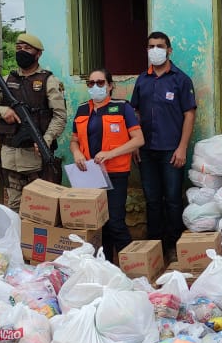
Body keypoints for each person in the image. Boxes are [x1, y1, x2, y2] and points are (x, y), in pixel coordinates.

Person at [130, 31, 196, 255]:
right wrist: (135, 144)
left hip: (171, 150)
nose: (155, 50)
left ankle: (175, 246)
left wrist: (182, 147)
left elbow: (189, 114)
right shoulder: (142, 80)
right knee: (152, 200)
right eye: (151, 46)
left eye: (159, 46)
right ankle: (153, 248)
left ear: (169, 50)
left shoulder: (181, 80)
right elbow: (135, 113)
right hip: (146, 151)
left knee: (174, 200)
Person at [0, 32, 67, 211]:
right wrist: (4, 111)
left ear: (38, 54)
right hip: (9, 155)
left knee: (40, 207)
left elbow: (60, 116)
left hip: (35, 156)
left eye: (27, 48)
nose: (22, 51)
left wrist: (46, 139)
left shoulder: (49, 81)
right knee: (14, 205)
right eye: (18, 48)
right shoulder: (7, 80)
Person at [69, 68, 145, 261]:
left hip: (115, 173)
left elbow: (138, 140)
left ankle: (133, 266)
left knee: (115, 223)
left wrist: (110, 154)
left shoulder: (122, 107)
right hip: (90, 175)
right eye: (91, 83)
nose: (95, 86)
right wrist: (76, 153)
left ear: (110, 86)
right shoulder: (82, 109)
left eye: (100, 82)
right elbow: (74, 140)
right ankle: (107, 266)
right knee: (99, 225)